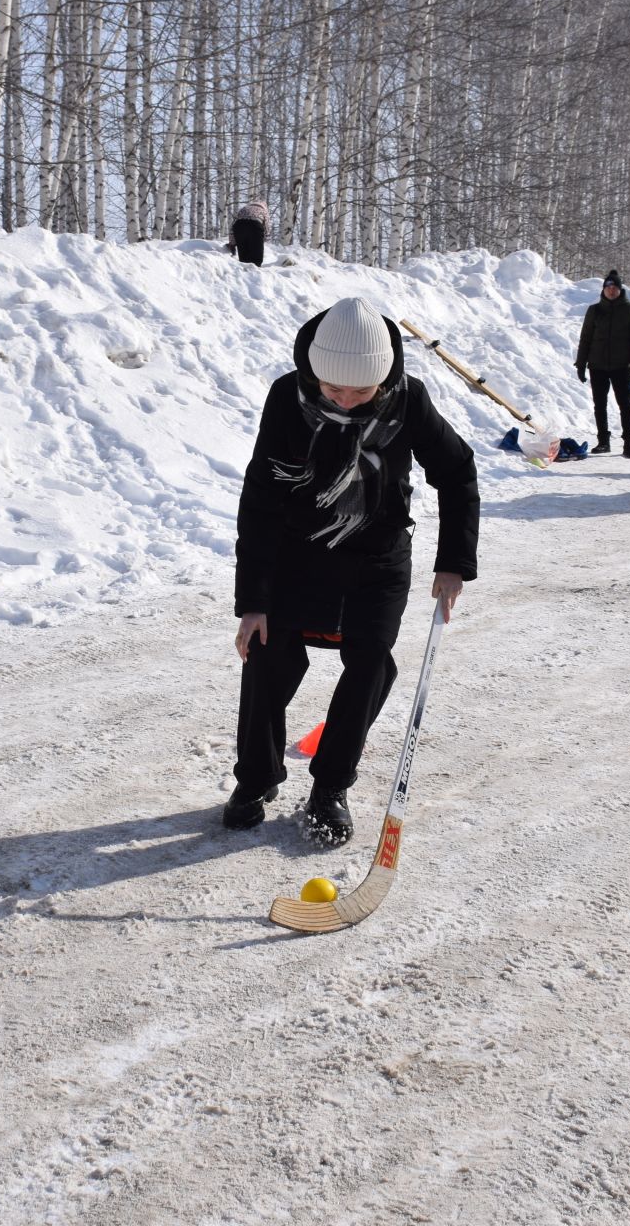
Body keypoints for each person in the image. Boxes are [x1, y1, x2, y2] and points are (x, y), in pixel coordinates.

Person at [225, 297, 479, 847]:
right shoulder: (286, 398)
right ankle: (256, 779)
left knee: (369, 664)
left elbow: (457, 469)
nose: (344, 401)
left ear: (384, 377)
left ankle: (330, 788)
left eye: (359, 392)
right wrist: (254, 602)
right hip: (299, 552)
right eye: (331, 389)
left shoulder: (408, 402)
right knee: (267, 652)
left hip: (376, 557)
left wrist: (454, 561)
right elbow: (262, 498)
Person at [574, 269, 630, 458]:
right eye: (608, 287)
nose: (611, 290)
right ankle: (603, 441)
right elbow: (585, 338)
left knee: (625, 405)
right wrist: (581, 364)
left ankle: (629, 444)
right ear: (603, 290)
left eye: (615, 287)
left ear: (620, 290)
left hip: (621, 366)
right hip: (597, 365)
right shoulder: (594, 310)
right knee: (600, 405)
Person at [227, 199, 270, 267]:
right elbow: (267, 227)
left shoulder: (243, 209)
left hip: (239, 226)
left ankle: (243, 273)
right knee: (257, 257)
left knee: (243, 257)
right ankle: (255, 271)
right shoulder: (264, 210)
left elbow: (233, 226)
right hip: (255, 226)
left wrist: (232, 243)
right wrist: (263, 240)